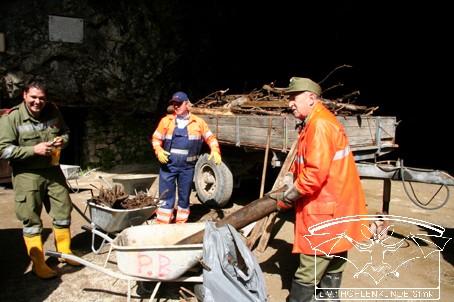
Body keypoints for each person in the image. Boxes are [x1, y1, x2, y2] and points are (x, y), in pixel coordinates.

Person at [270, 77, 368, 301]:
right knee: (334, 261)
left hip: (325, 211)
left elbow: (314, 174)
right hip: (337, 209)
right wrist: (290, 179)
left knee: (309, 269)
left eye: (294, 97)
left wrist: (288, 197)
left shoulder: (320, 125)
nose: (289, 103)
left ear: (312, 98)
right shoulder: (317, 121)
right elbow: (308, 164)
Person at [0, 79, 80, 279]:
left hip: (52, 171)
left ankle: (65, 252)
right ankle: (38, 263)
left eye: (42, 98)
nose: (37, 102)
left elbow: (66, 132)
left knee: (63, 211)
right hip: (27, 175)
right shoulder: (11, 119)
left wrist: (63, 140)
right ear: (25, 95)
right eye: (33, 97)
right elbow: (3, 149)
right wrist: (32, 150)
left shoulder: (53, 111)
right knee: (31, 219)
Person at [151, 91, 222, 224]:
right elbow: (156, 138)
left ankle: (181, 222)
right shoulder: (166, 121)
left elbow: (210, 138)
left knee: (184, 196)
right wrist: (159, 150)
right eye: (174, 104)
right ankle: (163, 222)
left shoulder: (198, 122)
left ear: (187, 104)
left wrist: (215, 150)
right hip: (168, 165)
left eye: (179, 104)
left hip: (187, 168)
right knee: (165, 194)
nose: (176, 106)